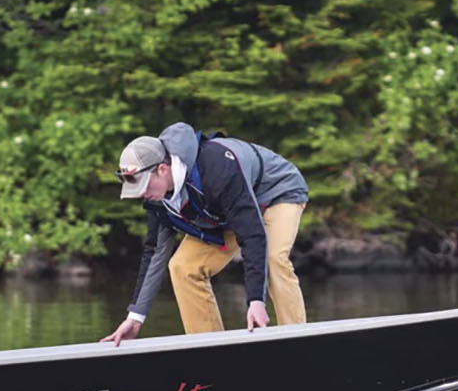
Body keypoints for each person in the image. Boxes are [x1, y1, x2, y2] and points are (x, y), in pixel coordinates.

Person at [102, 122, 309, 345]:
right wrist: (135, 317)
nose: (142, 194)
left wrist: (255, 301)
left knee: (273, 258)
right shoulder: (157, 198)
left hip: (276, 192)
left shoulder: (217, 168)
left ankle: (296, 339)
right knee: (183, 268)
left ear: (162, 169)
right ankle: (209, 346)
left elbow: (252, 235)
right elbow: (155, 252)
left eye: (143, 186)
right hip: (228, 212)